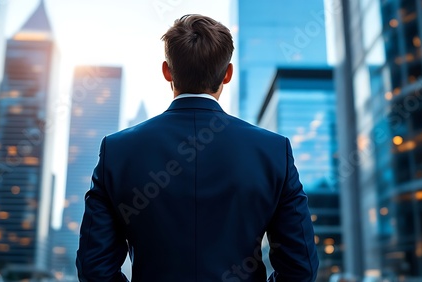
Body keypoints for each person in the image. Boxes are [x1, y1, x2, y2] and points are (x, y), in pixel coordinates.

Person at [76, 14, 319, 282]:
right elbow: (301, 268)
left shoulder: (117, 151)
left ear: (167, 71)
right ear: (227, 74)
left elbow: (94, 268)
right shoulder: (273, 151)